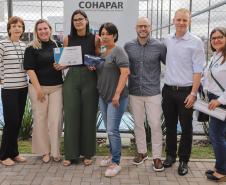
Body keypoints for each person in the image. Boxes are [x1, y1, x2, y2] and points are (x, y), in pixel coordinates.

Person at [162, 8, 205, 176]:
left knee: (186, 128)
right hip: (168, 91)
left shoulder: (196, 42)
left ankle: (184, 161)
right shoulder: (167, 40)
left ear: (189, 22)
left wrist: (193, 93)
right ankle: (170, 155)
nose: (181, 23)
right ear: (173, 20)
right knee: (170, 126)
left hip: (186, 92)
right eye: (178, 19)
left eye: (184, 20)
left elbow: (198, 71)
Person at [124, 17, 166, 172]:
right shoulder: (128, 46)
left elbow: (170, 63)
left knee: (155, 125)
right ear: (136, 28)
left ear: (150, 28)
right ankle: (142, 152)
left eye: (146, 26)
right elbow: (122, 67)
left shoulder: (159, 46)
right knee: (138, 124)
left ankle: (157, 157)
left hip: (153, 92)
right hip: (134, 91)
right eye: (140, 26)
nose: (143, 28)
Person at [62, 10, 98, 166]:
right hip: (72, 78)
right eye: (75, 19)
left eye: (80, 19)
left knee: (89, 116)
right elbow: (65, 61)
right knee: (70, 116)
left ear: (86, 20)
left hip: (90, 79)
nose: (78, 22)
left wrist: (94, 65)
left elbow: (100, 58)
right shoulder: (67, 39)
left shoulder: (95, 39)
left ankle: (88, 153)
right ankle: (70, 155)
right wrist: (60, 65)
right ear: (72, 22)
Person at [24, 19, 63, 163]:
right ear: (36, 31)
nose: (43, 31)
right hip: (38, 88)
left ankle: (55, 151)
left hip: (56, 87)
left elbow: (62, 64)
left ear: (50, 30)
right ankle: (44, 151)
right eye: (40, 29)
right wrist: (38, 89)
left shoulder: (57, 45)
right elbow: (30, 69)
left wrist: (62, 66)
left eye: (45, 28)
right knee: (41, 120)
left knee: (55, 120)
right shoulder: (31, 48)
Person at [97, 22, 130, 177]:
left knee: (112, 129)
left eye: (107, 33)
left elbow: (125, 73)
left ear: (114, 35)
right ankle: (112, 156)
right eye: (102, 33)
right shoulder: (103, 50)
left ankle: (116, 163)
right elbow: (102, 69)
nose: (104, 36)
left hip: (115, 98)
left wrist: (117, 94)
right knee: (109, 129)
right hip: (103, 96)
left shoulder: (119, 50)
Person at [0, 16, 28, 166]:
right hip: (9, 89)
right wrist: (1, 78)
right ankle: (4, 155)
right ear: (9, 28)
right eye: (14, 26)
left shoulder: (24, 45)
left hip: (22, 88)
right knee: (11, 122)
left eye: (20, 26)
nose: (17, 28)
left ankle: (14, 153)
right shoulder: (2, 44)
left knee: (17, 123)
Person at [204, 27, 226, 182]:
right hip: (213, 99)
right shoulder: (216, 56)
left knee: (216, 135)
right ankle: (220, 165)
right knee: (220, 135)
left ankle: (223, 170)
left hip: (221, 101)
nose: (216, 40)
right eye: (213, 38)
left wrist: (219, 100)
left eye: (220, 37)